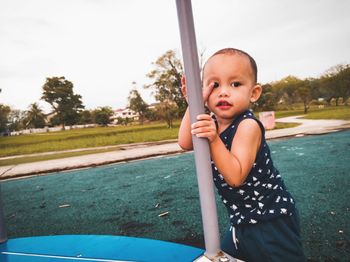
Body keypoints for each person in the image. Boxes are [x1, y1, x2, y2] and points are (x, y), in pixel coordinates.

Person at [178, 48, 305, 261]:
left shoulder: (247, 126)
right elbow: (185, 142)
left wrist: (214, 139)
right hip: (241, 219)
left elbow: (236, 176)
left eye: (235, 84)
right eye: (214, 85)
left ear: (253, 93)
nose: (223, 92)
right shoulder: (212, 121)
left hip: (270, 220)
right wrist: (193, 106)